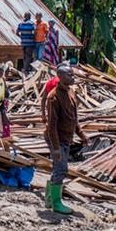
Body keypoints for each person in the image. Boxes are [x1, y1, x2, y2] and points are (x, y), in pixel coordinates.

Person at [44, 65, 88, 214]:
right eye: (70, 75)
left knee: (58, 169)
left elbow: (73, 118)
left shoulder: (70, 92)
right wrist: (55, 148)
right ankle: (56, 203)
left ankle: (49, 199)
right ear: (60, 77)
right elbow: (51, 126)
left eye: (73, 75)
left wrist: (81, 135)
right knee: (62, 169)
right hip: (56, 137)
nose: (73, 77)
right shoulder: (53, 97)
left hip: (66, 137)